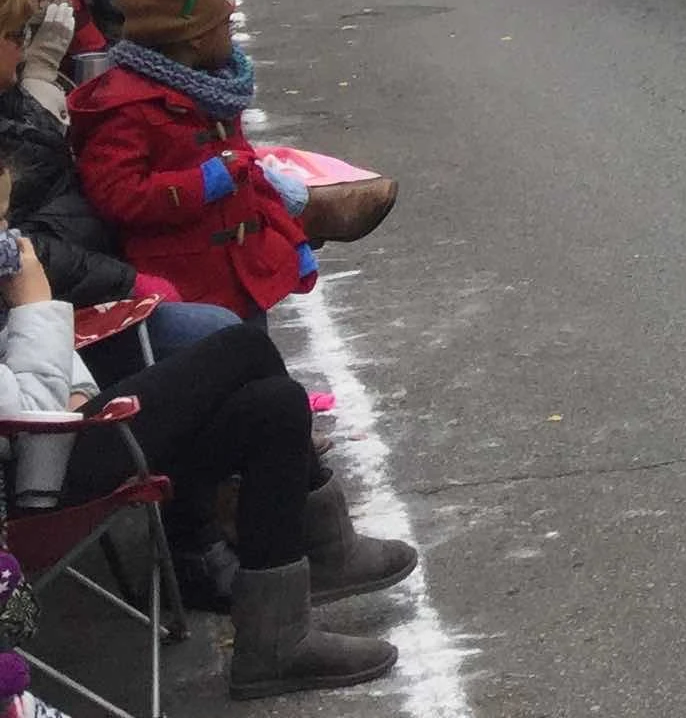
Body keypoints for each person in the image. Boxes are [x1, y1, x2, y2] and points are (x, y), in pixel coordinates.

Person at [44, 296, 416, 692]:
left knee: (277, 405)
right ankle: (317, 561)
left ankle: (277, 632)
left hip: (51, 422)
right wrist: (32, 296)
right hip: (35, 463)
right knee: (245, 347)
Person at [66, 0, 315, 318]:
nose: (230, 35)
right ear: (195, 39)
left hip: (240, 274)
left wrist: (289, 238)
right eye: (223, 25)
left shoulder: (211, 90)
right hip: (186, 289)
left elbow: (244, 174)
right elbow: (115, 194)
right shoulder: (127, 107)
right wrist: (202, 183)